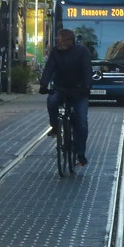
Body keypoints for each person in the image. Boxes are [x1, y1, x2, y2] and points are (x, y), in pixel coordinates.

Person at [38, 29, 93, 166]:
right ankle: (55, 126)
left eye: (61, 41)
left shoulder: (82, 51)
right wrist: (44, 85)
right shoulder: (55, 52)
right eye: (58, 40)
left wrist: (87, 86)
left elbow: (87, 69)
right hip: (61, 88)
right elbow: (49, 69)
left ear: (69, 41)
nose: (58, 43)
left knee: (81, 121)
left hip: (79, 90)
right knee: (52, 100)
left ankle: (80, 153)